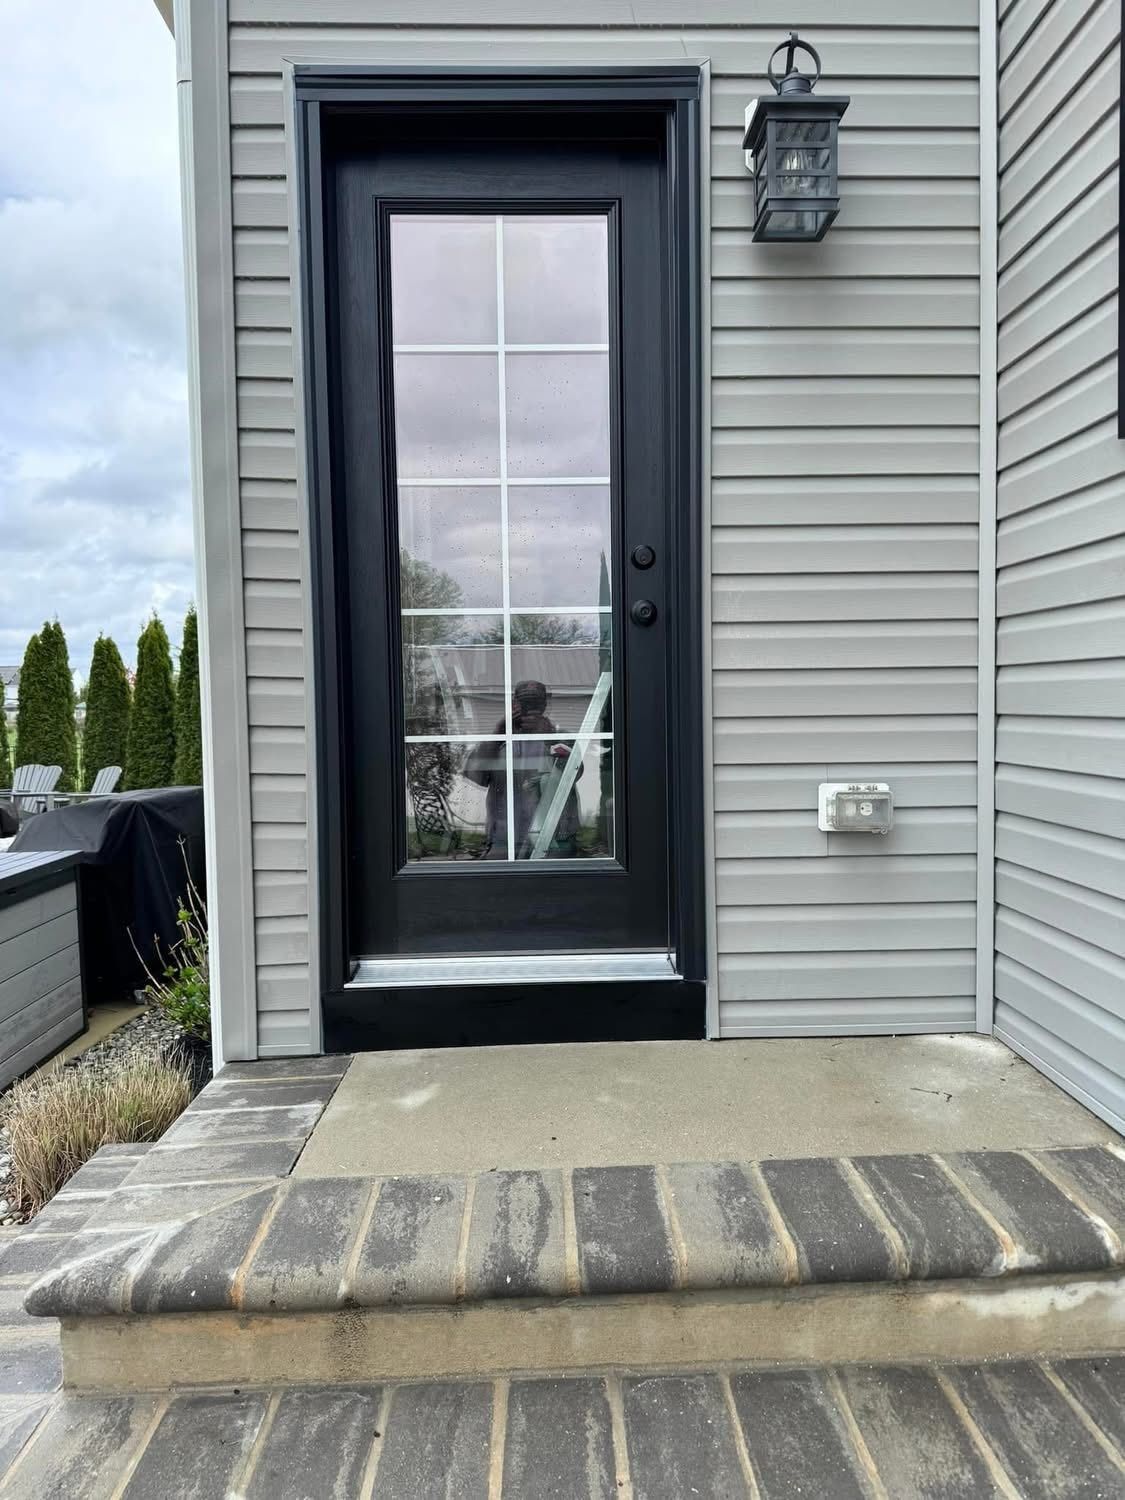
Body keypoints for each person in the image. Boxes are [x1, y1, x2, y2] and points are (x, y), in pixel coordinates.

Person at [462, 679, 583, 858]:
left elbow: (575, 772)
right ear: (514, 704)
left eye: (535, 704)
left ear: (545, 705)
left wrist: (549, 735)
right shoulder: (500, 740)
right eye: (525, 704)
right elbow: (474, 775)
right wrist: (500, 731)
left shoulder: (560, 736)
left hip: (553, 839)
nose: (530, 710)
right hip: (504, 840)